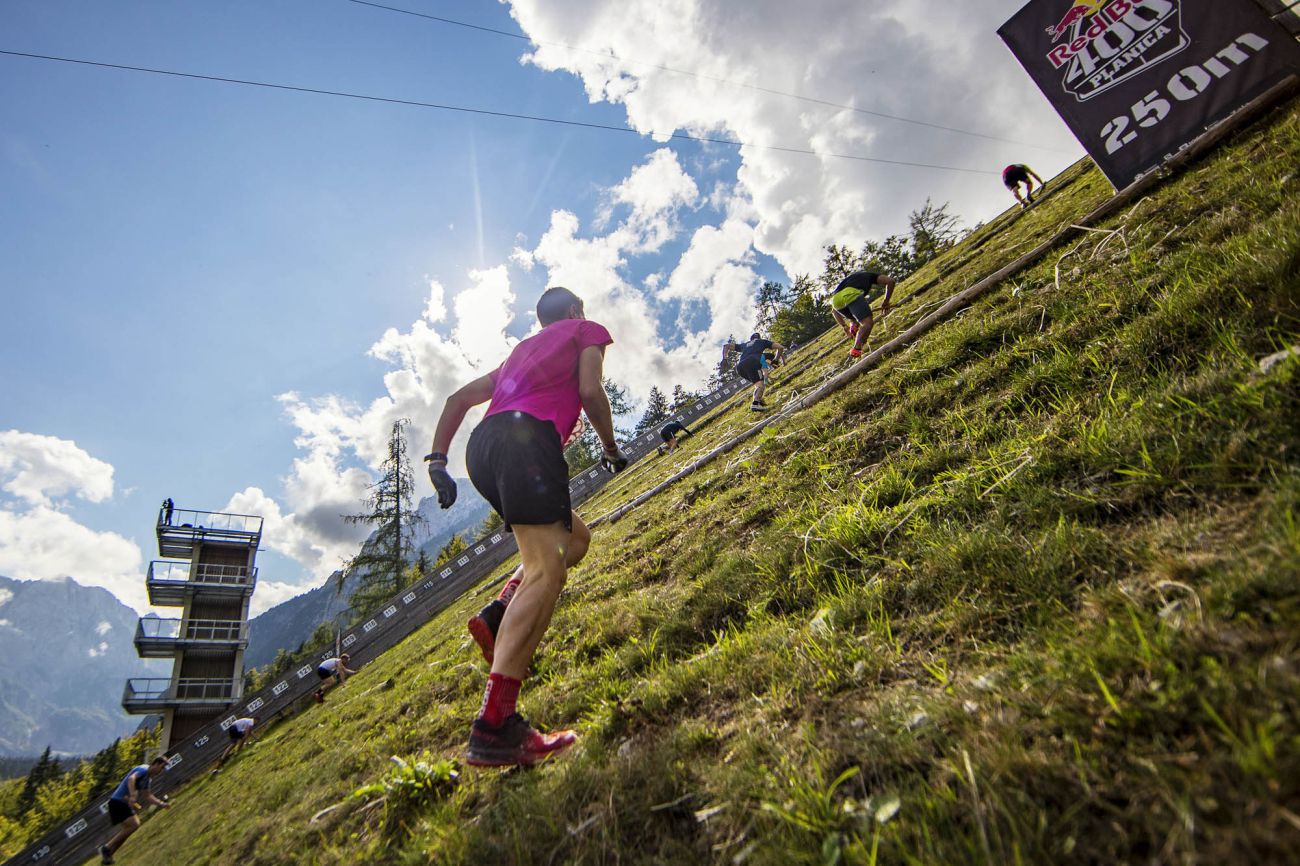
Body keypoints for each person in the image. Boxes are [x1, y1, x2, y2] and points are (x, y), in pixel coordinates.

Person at [427, 285, 628, 767]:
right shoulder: (586, 330)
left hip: (484, 450)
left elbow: (458, 398)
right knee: (546, 569)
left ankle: (499, 612)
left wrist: (437, 459)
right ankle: (495, 724)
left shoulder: (521, 352)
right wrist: (610, 448)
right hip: (525, 442)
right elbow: (589, 389)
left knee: (575, 540)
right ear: (576, 310)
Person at [99, 756, 169, 864]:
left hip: (121, 803)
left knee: (128, 830)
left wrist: (161, 803)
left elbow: (147, 795)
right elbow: (132, 778)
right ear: (155, 764)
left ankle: (108, 856)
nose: (162, 771)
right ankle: (106, 847)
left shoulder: (147, 779)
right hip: (117, 802)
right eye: (162, 767)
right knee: (134, 824)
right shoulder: (143, 770)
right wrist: (132, 795)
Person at [828, 271, 896, 359]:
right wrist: (885, 302)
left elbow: (834, 311)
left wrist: (844, 326)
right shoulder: (871, 275)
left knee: (856, 318)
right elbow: (891, 281)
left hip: (835, 300)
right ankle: (856, 349)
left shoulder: (849, 280)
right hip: (851, 294)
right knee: (867, 323)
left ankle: (854, 326)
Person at [734, 333, 786, 411]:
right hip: (753, 362)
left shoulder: (746, 345)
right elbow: (780, 348)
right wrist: (782, 362)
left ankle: (758, 401)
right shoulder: (761, 342)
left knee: (758, 384)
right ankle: (755, 404)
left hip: (740, 368)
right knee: (761, 385)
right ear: (759, 338)